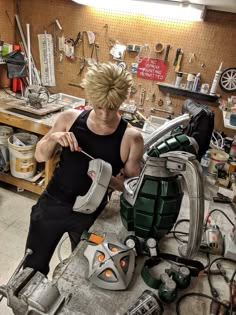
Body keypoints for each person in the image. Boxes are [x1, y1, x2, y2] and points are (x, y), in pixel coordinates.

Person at [23, 62, 144, 275]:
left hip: (90, 215)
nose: (105, 114)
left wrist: (108, 180)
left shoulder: (131, 138)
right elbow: (39, 155)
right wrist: (54, 138)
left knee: (82, 274)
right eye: (99, 106)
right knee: (32, 268)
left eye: (112, 107)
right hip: (53, 204)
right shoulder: (69, 119)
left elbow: (132, 189)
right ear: (90, 96)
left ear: (121, 101)